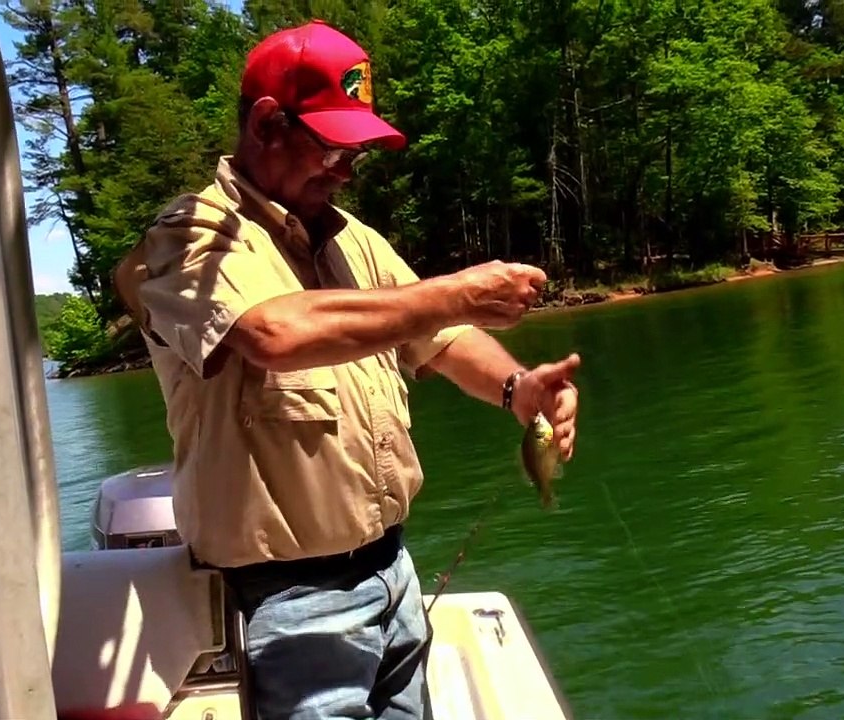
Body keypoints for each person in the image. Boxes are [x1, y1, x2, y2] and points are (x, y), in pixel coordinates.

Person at [113, 19, 581, 720]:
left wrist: (518, 388)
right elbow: (273, 332)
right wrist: (453, 289)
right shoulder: (188, 239)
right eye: (334, 146)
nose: (348, 168)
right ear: (268, 123)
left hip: (393, 570)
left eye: (356, 151)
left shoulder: (352, 238)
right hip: (288, 601)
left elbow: (441, 337)